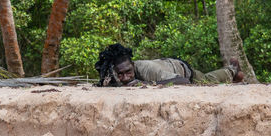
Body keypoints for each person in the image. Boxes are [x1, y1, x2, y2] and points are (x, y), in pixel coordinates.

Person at [95, 43, 244, 87]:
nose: (125, 77)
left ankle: (232, 69)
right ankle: (233, 72)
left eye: (128, 72)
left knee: (207, 79)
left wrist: (145, 83)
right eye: (120, 74)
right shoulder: (114, 74)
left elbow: (183, 81)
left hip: (182, 70)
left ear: (133, 65)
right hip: (166, 64)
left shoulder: (148, 70)